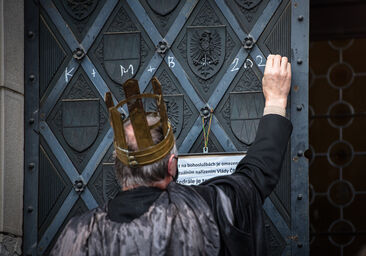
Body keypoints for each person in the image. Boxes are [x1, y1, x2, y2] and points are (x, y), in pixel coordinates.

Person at [51, 54, 292, 256]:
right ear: (171, 166)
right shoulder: (203, 212)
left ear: (119, 168)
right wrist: (276, 100)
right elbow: (254, 178)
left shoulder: (78, 234)